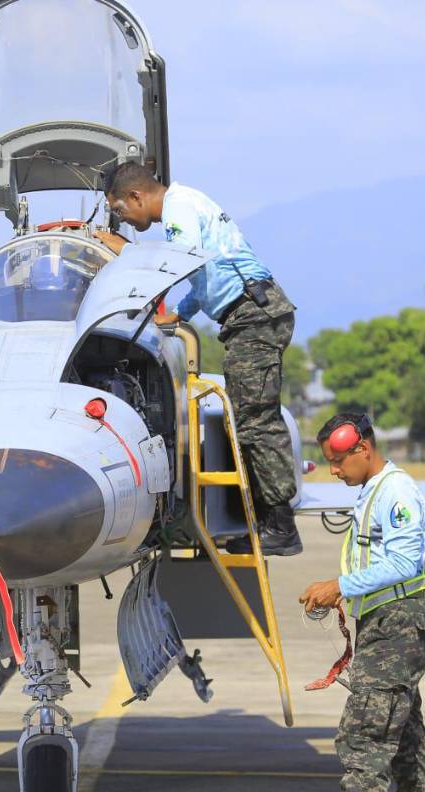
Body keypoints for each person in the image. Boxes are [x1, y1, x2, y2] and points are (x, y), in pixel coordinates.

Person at [93, 162, 302, 555]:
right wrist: (181, 313)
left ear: (137, 196)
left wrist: (129, 254)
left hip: (254, 315)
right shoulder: (184, 203)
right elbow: (205, 272)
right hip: (246, 314)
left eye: (121, 210)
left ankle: (281, 527)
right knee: (245, 420)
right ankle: (260, 525)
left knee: (256, 422)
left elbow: (181, 258)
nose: (123, 218)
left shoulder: (179, 209)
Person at [299, 412, 425, 792]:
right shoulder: (375, 490)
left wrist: (339, 586)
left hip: (395, 628)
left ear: (363, 448)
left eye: (339, 460)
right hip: (386, 624)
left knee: (365, 739)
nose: (333, 470)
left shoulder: (396, 492)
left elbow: (405, 563)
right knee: (406, 746)